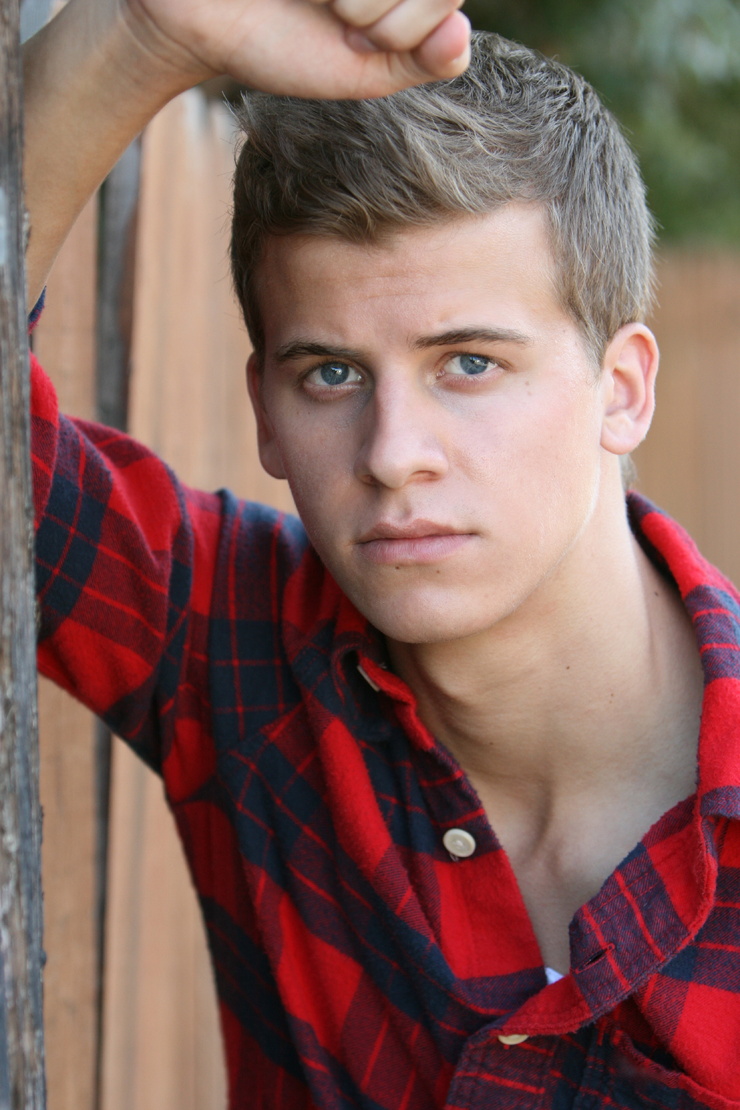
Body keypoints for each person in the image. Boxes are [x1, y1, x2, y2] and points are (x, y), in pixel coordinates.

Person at [22, 0, 740, 1106]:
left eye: (468, 364)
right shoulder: (238, 651)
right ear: (264, 410)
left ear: (623, 388)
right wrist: (138, 37)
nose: (393, 454)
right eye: (332, 375)